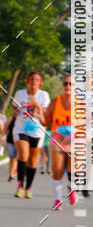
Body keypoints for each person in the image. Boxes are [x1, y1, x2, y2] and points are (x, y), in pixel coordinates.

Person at [12, 70, 50, 198]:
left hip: (37, 130)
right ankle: (20, 186)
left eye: (37, 79)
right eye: (32, 79)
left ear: (40, 83)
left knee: (33, 161)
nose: (34, 81)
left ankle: (28, 187)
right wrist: (15, 111)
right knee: (23, 155)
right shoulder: (20, 93)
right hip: (21, 128)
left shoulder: (43, 95)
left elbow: (46, 112)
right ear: (27, 81)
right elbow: (14, 106)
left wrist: (36, 104)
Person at [44, 75, 77, 210]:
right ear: (62, 85)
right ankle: (57, 200)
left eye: (71, 84)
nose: (68, 86)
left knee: (73, 170)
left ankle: (71, 187)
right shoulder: (55, 102)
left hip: (75, 139)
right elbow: (47, 122)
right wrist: (40, 115)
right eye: (65, 83)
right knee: (57, 170)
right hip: (58, 139)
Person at [3, 114, 18, 182]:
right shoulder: (11, 118)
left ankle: (15, 169)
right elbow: (5, 130)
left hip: (19, 141)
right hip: (10, 141)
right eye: (15, 109)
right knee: (12, 158)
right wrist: (3, 138)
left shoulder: (24, 119)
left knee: (17, 158)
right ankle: (11, 175)